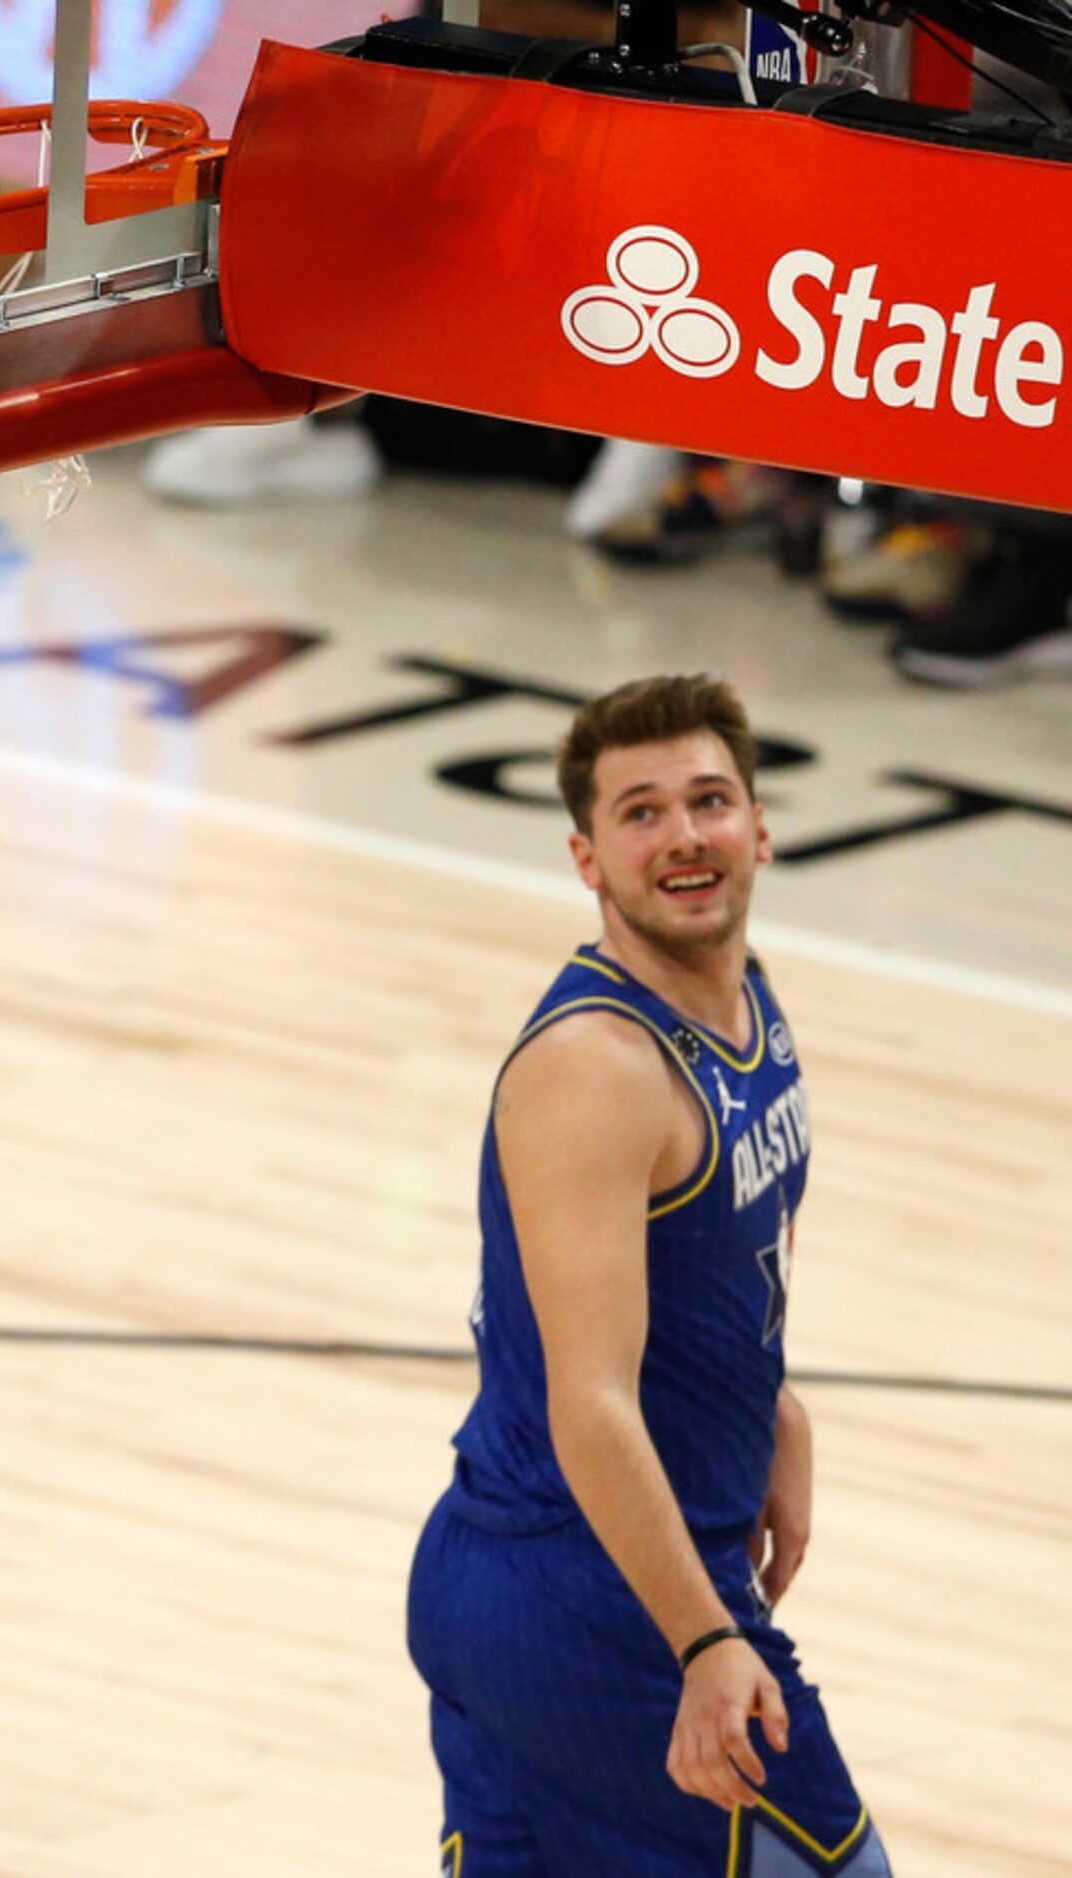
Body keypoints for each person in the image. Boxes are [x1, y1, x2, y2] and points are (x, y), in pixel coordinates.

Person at [406, 675, 890, 1874]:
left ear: (759, 827)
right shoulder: (598, 1068)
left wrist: (768, 1400)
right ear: (587, 858)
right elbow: (592, 1404)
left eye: (708, 801)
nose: (681, 835)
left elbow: (733, 1233)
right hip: (593, 1594)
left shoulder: (742, 999)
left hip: (532, 1585)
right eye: (639, 812)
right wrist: (703, 1641)